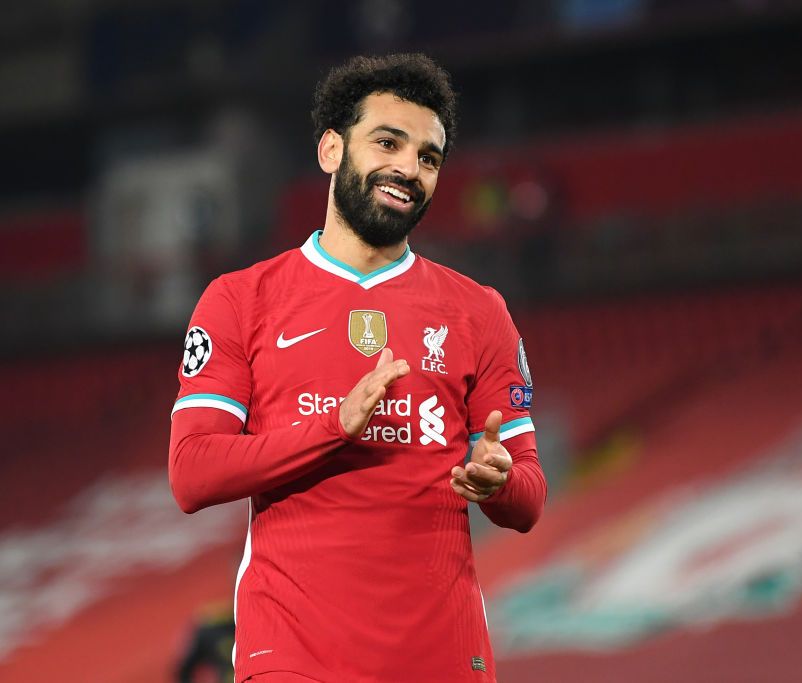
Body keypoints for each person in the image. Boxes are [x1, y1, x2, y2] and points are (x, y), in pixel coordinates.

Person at [168, 53, 546, 683]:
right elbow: (192, 474)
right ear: (330, 151)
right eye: (387, 142)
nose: (408, 168)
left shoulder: (479, 312)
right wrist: (333, 429)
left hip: (442, 657)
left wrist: (498, 481)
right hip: (293, 656)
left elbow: (529, 500)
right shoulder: (240, 300)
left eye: (428, 157)